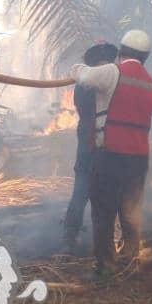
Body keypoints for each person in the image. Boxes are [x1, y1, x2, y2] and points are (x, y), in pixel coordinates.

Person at [70, 29, 152, 276]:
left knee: (103, 211)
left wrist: (76, 68)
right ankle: (130, 258)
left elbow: (85, 77)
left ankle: (105, 267)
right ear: (146, 57)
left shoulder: (113, 72)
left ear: (121, 52)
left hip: (109, 154)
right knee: (130, 211)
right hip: (139, 158)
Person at [62, 41, 118, 254]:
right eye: (103, 60)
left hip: (91, 143)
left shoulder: (84, 82)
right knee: (89, 191)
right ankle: (76, 237)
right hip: (96, 145)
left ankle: (72, 235)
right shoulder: (99, 81)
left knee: (83, 190)